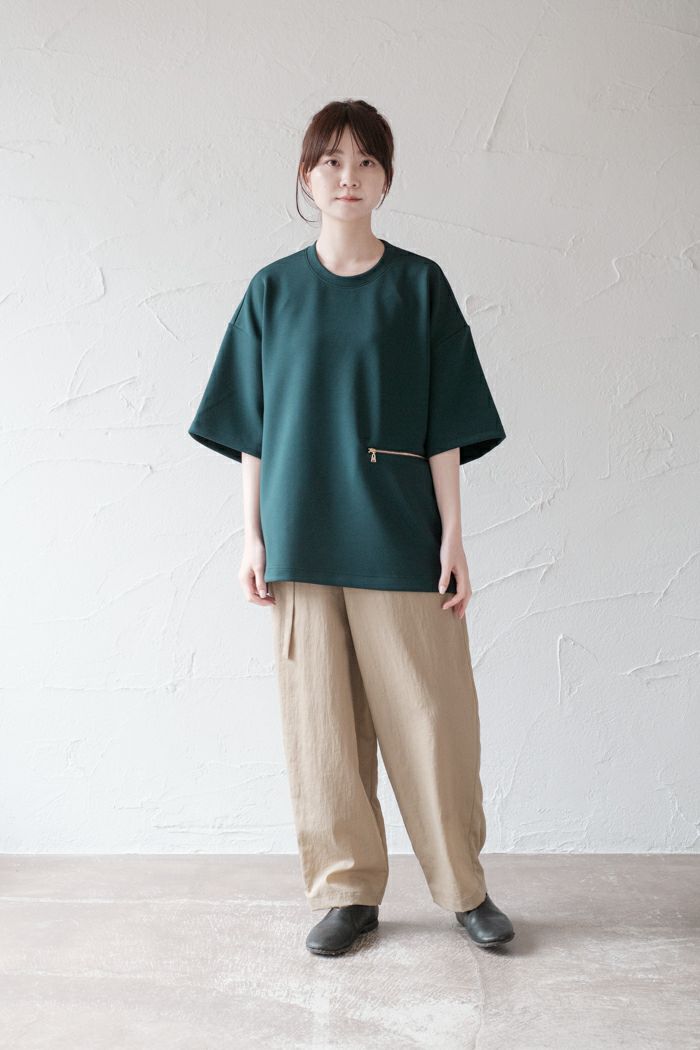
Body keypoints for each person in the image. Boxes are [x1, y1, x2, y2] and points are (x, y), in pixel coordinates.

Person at [188, 98, 515, 957]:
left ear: (386, 180)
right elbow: (252, 429)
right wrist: (252, 537)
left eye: (367, 161)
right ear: (307, 176)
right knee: (321, 730)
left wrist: (453, 535)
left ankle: (464, 889)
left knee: (434, 719)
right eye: (332, 160)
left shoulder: (419, 286)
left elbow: (447, 425)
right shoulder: (273, 291)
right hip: (300, 535)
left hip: (400, 532)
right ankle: (348, 894)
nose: (349, 176)